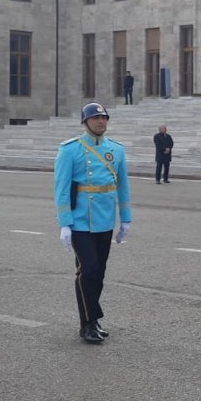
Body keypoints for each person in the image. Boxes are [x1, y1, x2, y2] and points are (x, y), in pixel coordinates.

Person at [54, 103, 133, 344]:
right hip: (80, 220)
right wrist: (65, 223)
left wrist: (126, 219)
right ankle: (87, 323)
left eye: (104, 118)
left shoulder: (116, 150)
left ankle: (93, 320)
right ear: (85, 122)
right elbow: (61, 188)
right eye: (96, 118)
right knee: (87, 270)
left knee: (99, 272)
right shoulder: (70, 149)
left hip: (104, 219)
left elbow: (123, 186)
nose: (101, 122)